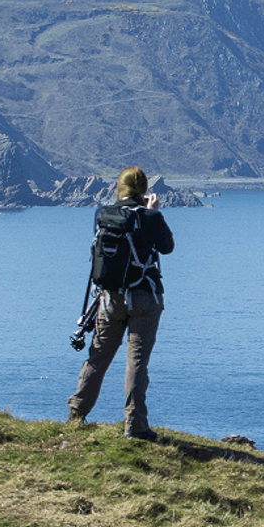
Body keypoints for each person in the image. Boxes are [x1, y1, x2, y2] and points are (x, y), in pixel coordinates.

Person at [67, 167, 174, 440]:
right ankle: (135, 426)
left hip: (108, 299)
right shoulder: (149, 216)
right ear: (143, 190)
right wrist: (155, 212)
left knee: (98, 358)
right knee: (136, 362)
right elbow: (167, 246)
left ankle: (75, 415)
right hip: (144, 298)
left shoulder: (103, 215)